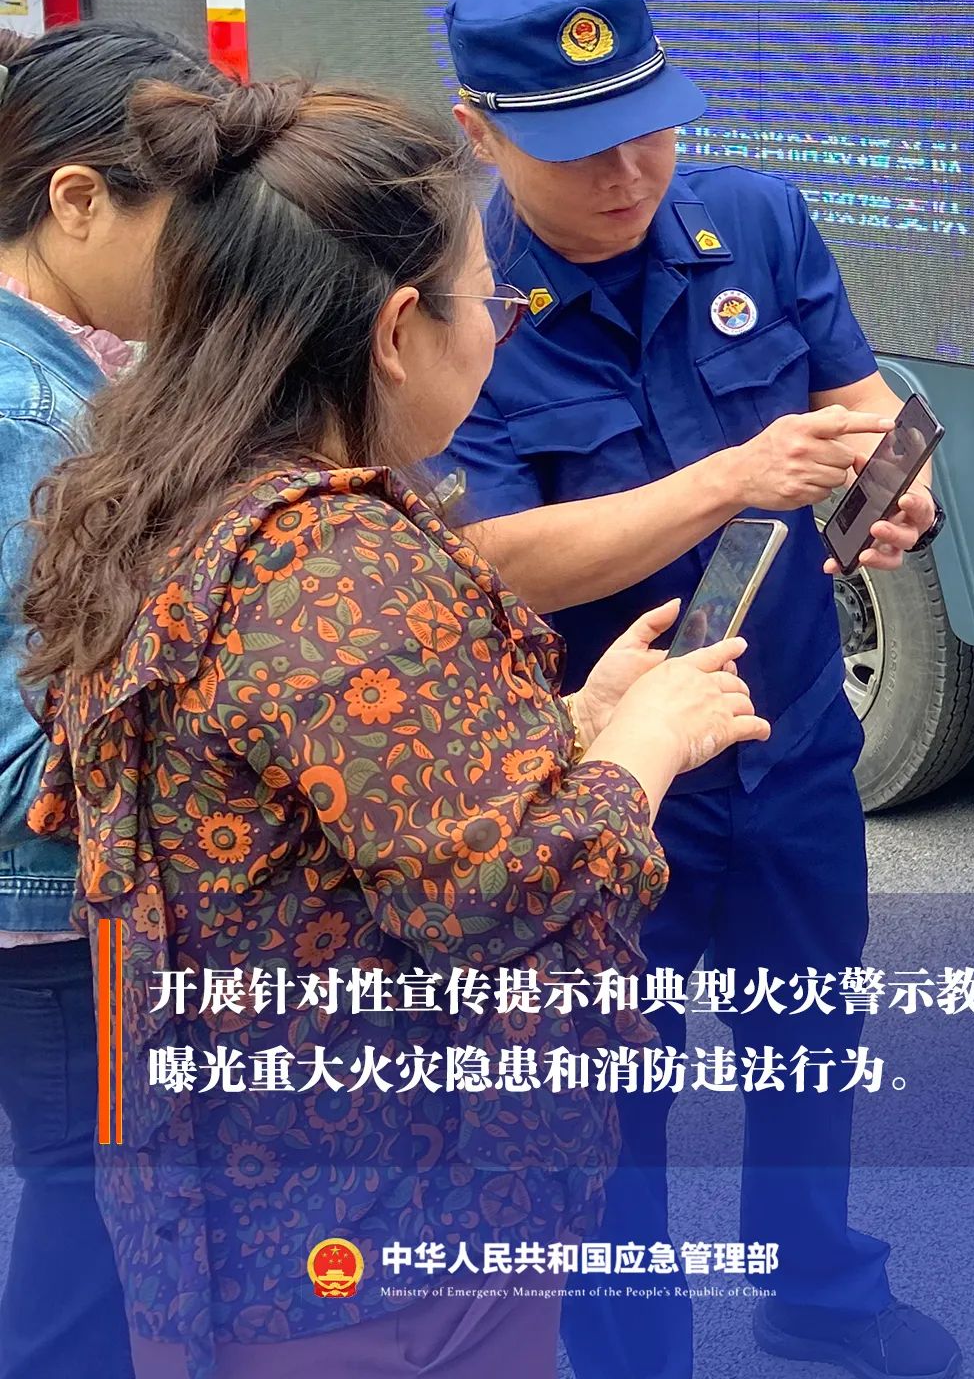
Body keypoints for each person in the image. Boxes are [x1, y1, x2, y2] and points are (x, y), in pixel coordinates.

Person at [21, 73, 768, 1379]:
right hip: (376, 1243)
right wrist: (644, 748)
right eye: (490, 301)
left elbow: (321, 809)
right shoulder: (345, 565)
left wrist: (571, 721)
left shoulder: (169, 495)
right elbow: (502, 894)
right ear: (396, 330)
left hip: (224, 1214)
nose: (499, 333)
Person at [435, 0, 960, 1379]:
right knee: (615, 1097)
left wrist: (892, 484)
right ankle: (631, 1355)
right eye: (578, 147)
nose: (629, 175)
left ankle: (819, 1291)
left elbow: (856, 393)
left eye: (647, 128)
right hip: (604, 773)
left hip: (788, 742)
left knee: (809, 1041)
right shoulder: (455, 299)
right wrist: (731, 478)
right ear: (482, 130)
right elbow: (491, 559)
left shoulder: (756, 220)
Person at [0, 22, 231, 1379]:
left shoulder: (55, 368)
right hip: (44, 908)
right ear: (77, 199)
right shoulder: (32, 414)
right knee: (91, 1207)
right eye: (187, 222)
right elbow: (22, 742)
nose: (206, 262)